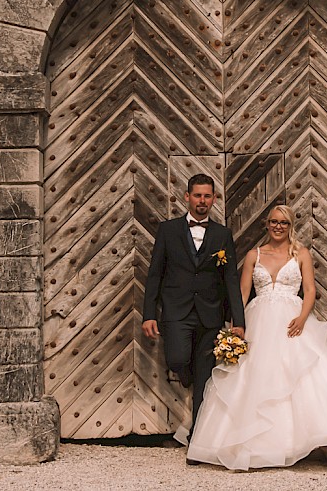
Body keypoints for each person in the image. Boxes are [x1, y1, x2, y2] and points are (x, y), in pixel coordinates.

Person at [184, 204, 327, 471]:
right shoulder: (254, 255)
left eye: (283, 223)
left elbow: (309, 290)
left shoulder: (302, 254)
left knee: (306, 375)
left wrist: (302, 317)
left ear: (290, 225)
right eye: (273, 222)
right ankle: (256, 445)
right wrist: (236, 326)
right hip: (258, 317)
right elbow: (241, 292)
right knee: (254, 377)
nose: (278, 227)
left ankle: (315, 439)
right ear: (267, 224)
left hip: (292, 319)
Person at [141, 173, 246, 450]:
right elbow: (155, 275)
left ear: (214, 198)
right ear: (187, 197)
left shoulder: (222, 235)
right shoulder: (168, 230)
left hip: (210, 315)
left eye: (207, 196)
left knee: (205, 378)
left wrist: (239, 321)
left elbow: (231, 279)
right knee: (177, 359)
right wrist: (148, 313)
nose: (202, 201)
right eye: (197, 195)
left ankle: (197, 437)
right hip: (177, 311)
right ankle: (185, 374)